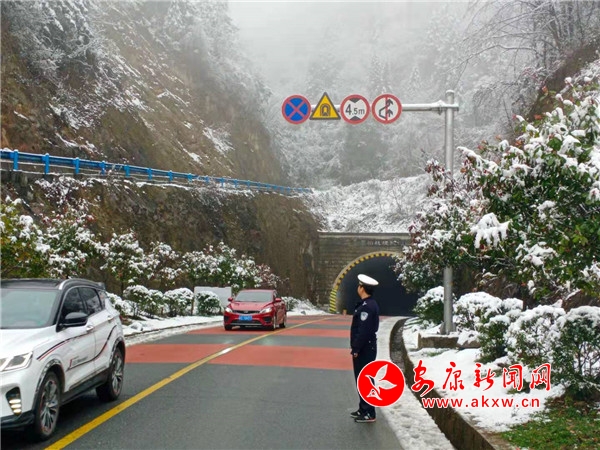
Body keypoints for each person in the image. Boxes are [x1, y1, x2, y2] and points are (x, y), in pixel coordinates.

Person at [349, 273, 380, 423]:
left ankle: (369, 412)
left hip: (365, 348)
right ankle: (363, 408)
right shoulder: (367, 304)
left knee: (365, 380)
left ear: (362, 288)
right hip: (366, 347)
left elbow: (363, 330)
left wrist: (356, 348)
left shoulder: (367, 307)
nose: (358, 288)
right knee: (362, 379)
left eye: (359, 285)